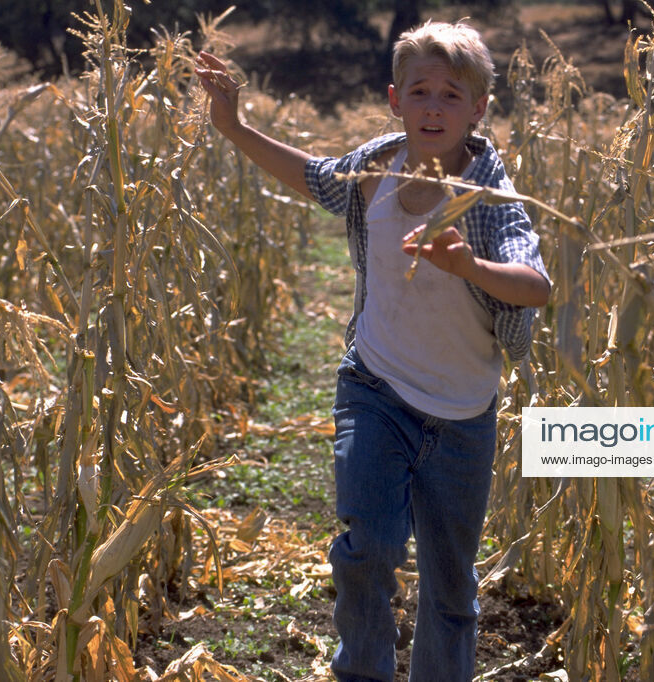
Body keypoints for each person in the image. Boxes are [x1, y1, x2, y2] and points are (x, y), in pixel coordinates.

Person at [197, 19, 549, 682]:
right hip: (375, 387)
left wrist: (468, 265)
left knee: (451, 589)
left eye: (452, 95)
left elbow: (535, 285)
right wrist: (233, 126)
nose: (434, 107)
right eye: (420, 92)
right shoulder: (375, 169)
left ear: (478, 109)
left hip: (463, 413)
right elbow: (314, 177)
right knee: (369, 549)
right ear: (396, 99)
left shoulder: (489, 195)